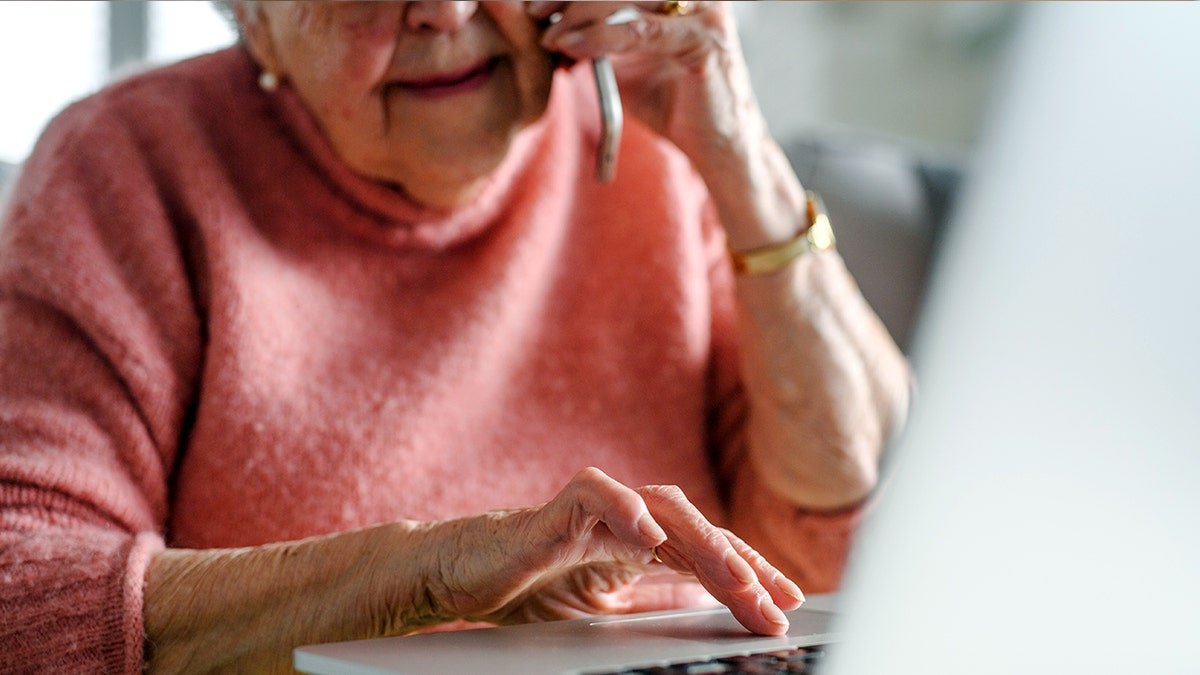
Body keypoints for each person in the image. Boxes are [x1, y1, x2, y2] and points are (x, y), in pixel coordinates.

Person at [0, 1, 911, 672]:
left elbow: (836, 552)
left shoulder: (653, 147)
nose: (444, 11)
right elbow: (30, 598)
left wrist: (742, 160)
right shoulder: (125, 169)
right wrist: (427, 579)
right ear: (252, 20)